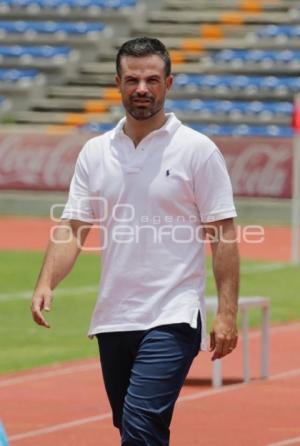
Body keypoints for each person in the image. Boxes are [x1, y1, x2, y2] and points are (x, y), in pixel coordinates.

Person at [31, 37, 239, 446]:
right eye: (132, 79)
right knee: (133, 429)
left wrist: (227, 312)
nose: (141, 88)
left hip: (173, 314)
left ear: (168, 84)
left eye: (151, 79)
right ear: (118, 83)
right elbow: (74, 227)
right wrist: (45, 282)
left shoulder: (198, 150)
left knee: (141, 428)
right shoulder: (94, 152)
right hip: (114, 317)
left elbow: (224, 234)